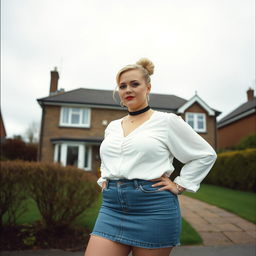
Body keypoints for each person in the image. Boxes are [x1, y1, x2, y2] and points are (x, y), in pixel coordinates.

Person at [84, 58, 217, 256]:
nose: (128, 89)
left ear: (148, 87)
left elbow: (205, 154)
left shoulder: (167, 122)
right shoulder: (112, 127)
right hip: (112, 207)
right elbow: (107, 158)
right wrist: (104, 178)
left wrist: (180, 184)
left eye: (134, 84)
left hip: (153, 209)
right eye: (122, 86)